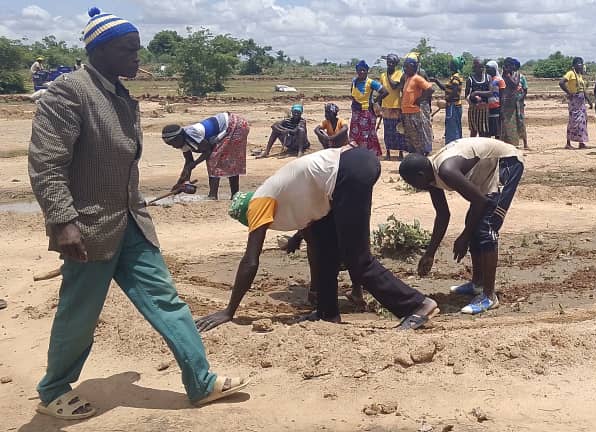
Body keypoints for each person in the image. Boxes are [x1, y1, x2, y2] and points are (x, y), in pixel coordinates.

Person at [27, 8, 247, 420]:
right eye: (130, 49)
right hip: (88, 227)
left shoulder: (123, 97)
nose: (138, 56)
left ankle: (200, 382)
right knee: (80, 313)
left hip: (132, 222)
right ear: (103, 49)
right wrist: (63, 221)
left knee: (166, 300)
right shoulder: (68, 94)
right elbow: (47, 164)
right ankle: (53, 388)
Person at [196, 146, 439, 331]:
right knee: (325, 253)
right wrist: (298, 244)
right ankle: (327, 312)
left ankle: (416, 305)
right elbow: (315, 243)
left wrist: (229, 311)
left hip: (348, 170)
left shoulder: (259, 204)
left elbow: (251, 260)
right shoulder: (284, 201)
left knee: (357, 258)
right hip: (348, 168)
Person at [398, 138, 523, 315]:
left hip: (506, 163)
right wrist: (429, 253)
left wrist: (464, 237)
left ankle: (489, 296)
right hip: (486, 174)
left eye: (410, 182)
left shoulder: (446, 170)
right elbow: (443, 215)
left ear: (419, 175)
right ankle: (477, 284)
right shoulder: (431, 176)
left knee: (486, 228)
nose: (413, 187)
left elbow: (480, 201)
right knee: (472, 222)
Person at [162, 111, 249, 200]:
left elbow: (208, 150)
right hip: (229, 127)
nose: (173, 146)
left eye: (173, 143)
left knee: (221, 160)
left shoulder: (191, 135)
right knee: (225, 160)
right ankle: (230, 195)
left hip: (235, 125)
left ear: (179, 138)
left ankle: (216, 195)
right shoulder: (182, 142)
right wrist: (180, 183)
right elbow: (188, 163)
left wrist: (195, 163)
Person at [401, 55, 435, 155]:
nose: (405, 69)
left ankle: (420, 157)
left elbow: (430, 89)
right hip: (407, 112)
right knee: (411, 137)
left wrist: (419, 100)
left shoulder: (417, 78)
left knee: (418, 137)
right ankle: (415, 156)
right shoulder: (408, 78)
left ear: (413, 67)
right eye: (404, 67)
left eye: (407, 67)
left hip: (414, 112)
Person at [350, 60, 383, 156]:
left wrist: (375, 101)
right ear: (357, 71)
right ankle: (357, 154)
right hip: (356, 113)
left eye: (364, 70)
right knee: (355, 135)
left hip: (366, 114)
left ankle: (367, 155)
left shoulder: (371, 83)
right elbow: (352, 95)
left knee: (366, 135)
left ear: (367, 71)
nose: (362, 72)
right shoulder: (354, 82)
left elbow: (384, 91)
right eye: (360, 70)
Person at [378, 54, 406, 161]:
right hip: (386, 107)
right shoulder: (382, 76)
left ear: (395, 64)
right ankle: (388, 151)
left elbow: (395, 86)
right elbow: (381, 92)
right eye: (388, 62)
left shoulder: (400, 74)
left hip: (397, 107)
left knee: (399, 130)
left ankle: (400, 152)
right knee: (388, 131)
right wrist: (379, 106)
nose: (389, 64)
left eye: (392, 62)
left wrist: (388, 75)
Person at [560, 57, 592, 149]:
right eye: (579, 64)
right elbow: (561, 82)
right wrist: (569, 93)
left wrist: (589, 101)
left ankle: (581, 143)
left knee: (583, 121)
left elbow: (583, 89)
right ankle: (568, 143)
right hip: (574, 100)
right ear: (574, 65)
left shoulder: (579, 75)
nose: (581, 66)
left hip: (581, 101)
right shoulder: (570, 74)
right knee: (573, 121)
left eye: (582, 64)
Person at [431, 57, 465, 144]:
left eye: (451, 64)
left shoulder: (455, 78)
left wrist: (447, 100)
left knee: (452, 127)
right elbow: (445, 88)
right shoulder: (454, 77)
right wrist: (436, 81)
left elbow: (454, 90)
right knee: (454, 126)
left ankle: (453, 146)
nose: (449, 65)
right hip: (454, 105)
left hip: (453, 105)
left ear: (454, 65)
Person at [500, 57, 525, 147]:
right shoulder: (502, 75)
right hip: (504, 103)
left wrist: (508, 76)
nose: (509, 68)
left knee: (513, 125)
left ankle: (513, 144)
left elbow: (514, 85)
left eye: (510, 66)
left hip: (513, 103)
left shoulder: (516, 74)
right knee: (504, 125)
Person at [466, 59, 490, 138]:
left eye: (482, 67)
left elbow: (490, 93)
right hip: (474, 109)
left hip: (484, 109)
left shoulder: (488, 78)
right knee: (473, 130)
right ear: (474, 68)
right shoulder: (470, 79)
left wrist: (476, 93)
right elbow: (467, 95)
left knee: (483, 131)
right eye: (479, 67)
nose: (481, 69)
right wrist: (473, 100)